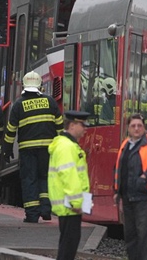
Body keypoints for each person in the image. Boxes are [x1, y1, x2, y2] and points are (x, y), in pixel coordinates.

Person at [4, 71, 63, 223]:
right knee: (45, 178)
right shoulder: (50, 101)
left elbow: (11, 130)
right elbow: (60, 126)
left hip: (27, 150)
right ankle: (46, 210)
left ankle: (32, 214)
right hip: (48, 149)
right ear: (40, 86)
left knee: (29, 180)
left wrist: (7, 148)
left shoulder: (18, 105)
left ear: (24, 86)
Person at [113, 113, 147, 260]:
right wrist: (117, 192)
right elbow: (119, 169)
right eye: (133, 126)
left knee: (144, 235)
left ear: (144, 128)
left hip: (145, 197)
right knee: (130, 235)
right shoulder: (125, 145)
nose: (136, 129)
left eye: (139, 126)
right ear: (128, 128)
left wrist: (146, 175)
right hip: (127, 198)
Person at [48, 110, 91, 260]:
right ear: (72, 125)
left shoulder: (67, 145)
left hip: (69, 205)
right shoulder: (66, 147)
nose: (85, 129)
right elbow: (69, 176)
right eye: (82, 125)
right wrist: (77, 202)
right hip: (70, 205)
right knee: (68, 246)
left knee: (68, 244)